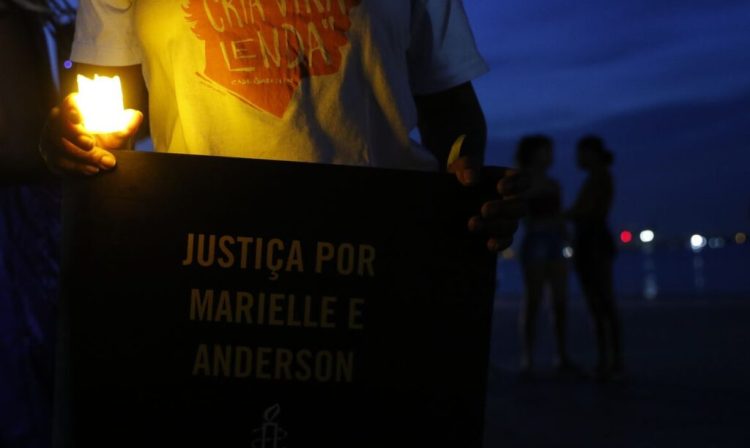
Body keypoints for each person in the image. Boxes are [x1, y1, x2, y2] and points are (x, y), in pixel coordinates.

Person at [38, 0, 523, 252]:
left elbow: (452, 114)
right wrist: (71, 138)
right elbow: (104, 105)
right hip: (197, 245)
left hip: (374, 245)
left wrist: (469, 191)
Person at [566, 135, 624, 380]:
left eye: (582, 153)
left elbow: (586, 211)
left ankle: (611, 361)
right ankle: (610, 359)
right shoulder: (598, 178)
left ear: (592, 153)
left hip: (593, 243)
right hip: (592, 242)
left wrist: (560, 215)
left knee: (601, 302)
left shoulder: (599, 178)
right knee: (601, 302)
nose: (578, 158)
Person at [515, 135, 573, 377]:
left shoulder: (553, 184)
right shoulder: (523, 182)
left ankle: (560, 354)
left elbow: (559, 217)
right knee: (534, 300)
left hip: (554, 241)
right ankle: (528, 357)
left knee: (559, 301)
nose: (550, 155)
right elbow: (524, 214)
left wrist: (568, 241)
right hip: (536, 240)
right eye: (545, 151)